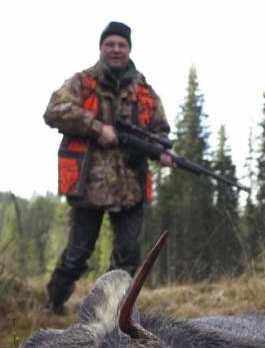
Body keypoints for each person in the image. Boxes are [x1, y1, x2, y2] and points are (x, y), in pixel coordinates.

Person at [42, 21, 172, 315]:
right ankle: (53, 303)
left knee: (128, 254)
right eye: (110, 44)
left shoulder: (146, 92)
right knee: (78, 253)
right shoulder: (83, 82)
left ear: (129, 49)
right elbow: (53, 111)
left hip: (131, 186)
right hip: (90, 183)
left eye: (121, 45)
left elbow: (160, 130)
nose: (116, 49)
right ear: (101, 48)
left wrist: (162, 152)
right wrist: (97, 127)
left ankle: (113, 312)